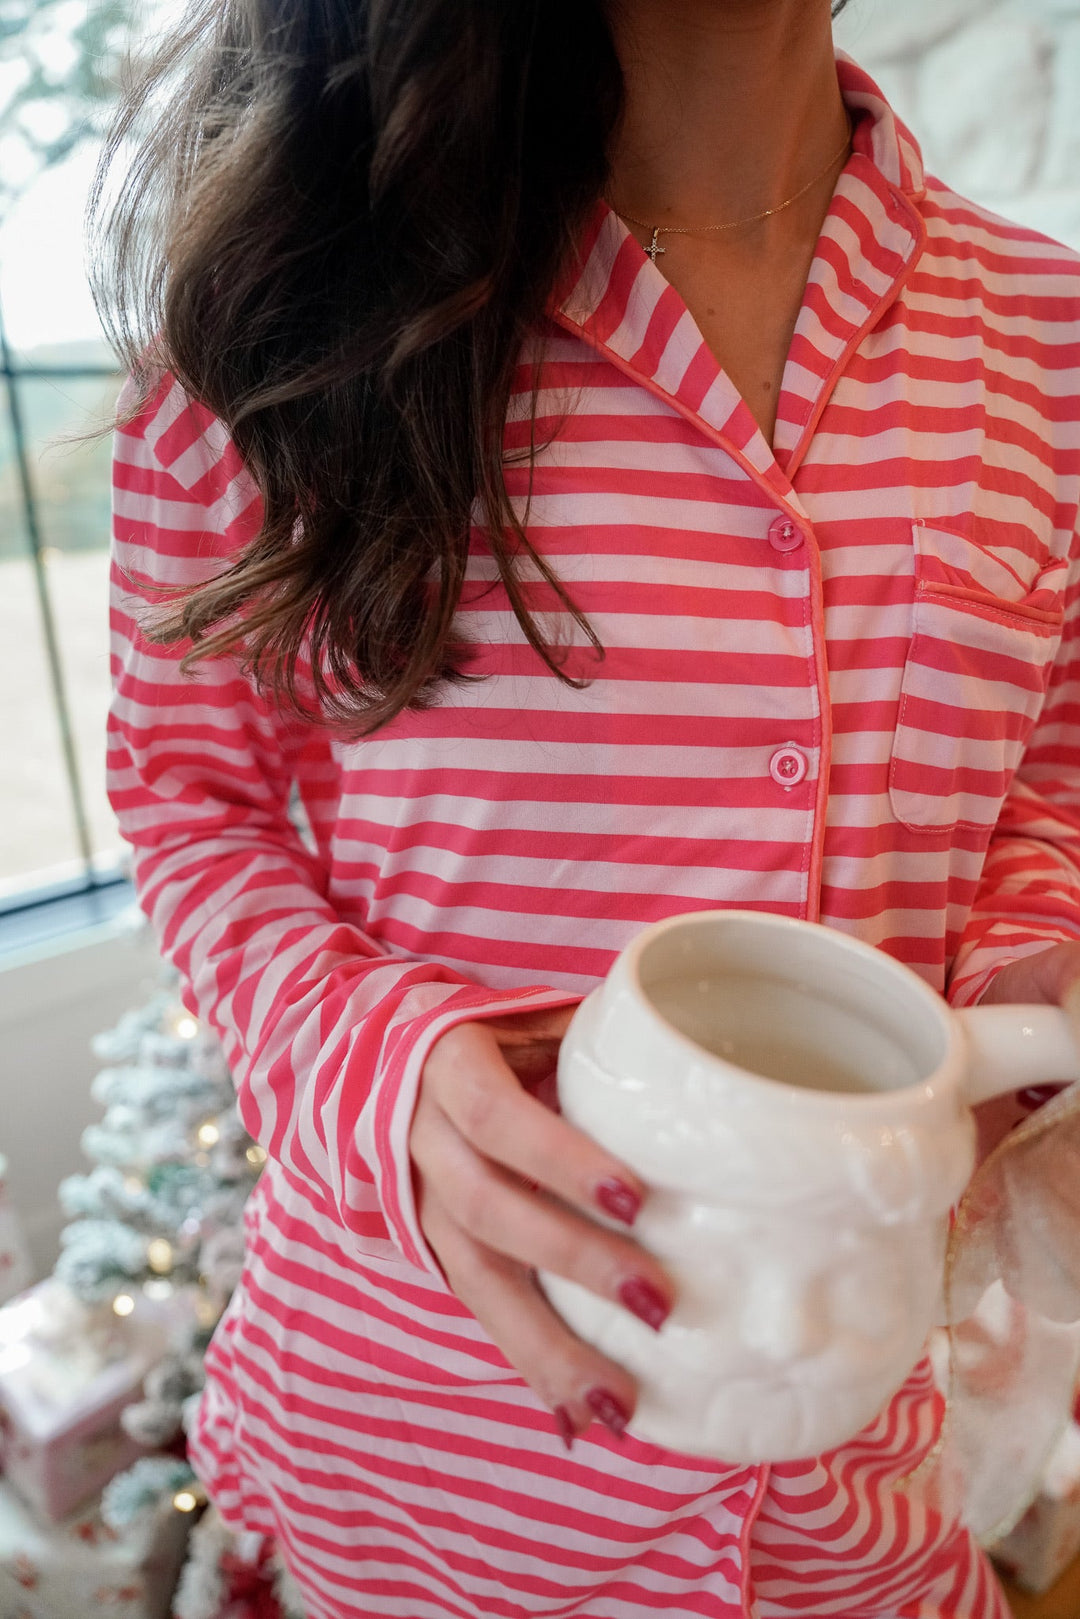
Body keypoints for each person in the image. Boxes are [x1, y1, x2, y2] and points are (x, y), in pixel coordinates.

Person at [97, 0, 1080, 1613]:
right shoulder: (288, 306)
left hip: (850, 1497)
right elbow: (192, 795)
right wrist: (370, 1066)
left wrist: (1027, 966)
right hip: (412, 1476)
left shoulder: (1051, 340)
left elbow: (1048, 770)